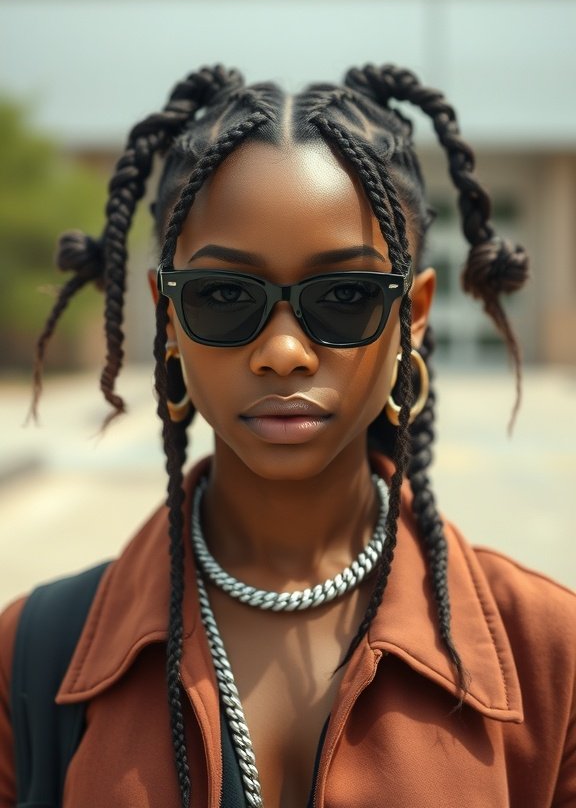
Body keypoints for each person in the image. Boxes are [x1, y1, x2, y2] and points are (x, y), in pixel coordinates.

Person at [0, 63, 574, 808]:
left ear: (415, 314)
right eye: (223, 296)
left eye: (343, 296)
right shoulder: (32, 660)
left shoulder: (549, 657)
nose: (284, 351)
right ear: (167, 317)